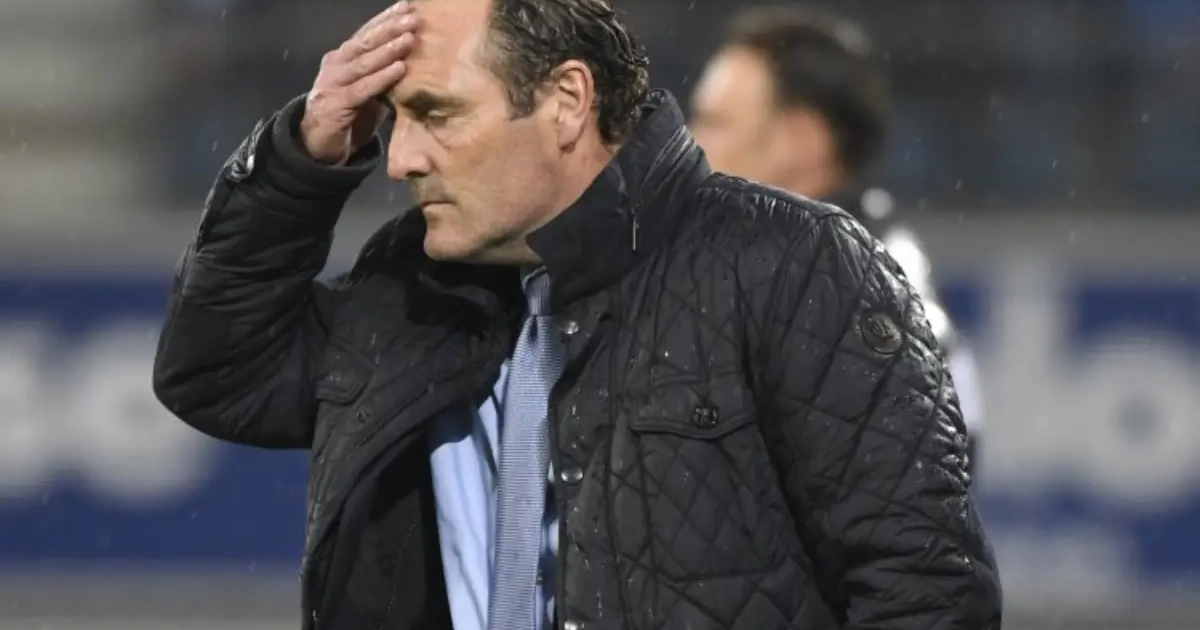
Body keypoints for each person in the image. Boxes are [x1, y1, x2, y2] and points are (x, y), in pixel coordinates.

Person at [152, 0, 1001, 628]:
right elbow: (216, 371)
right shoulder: (407, 291)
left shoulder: (794, 264)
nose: (399, 158)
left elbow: (922, 587)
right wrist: (301, 156)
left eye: (436, 113)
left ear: (566, 100)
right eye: (393, 118)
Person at [690, 5, 987, 472]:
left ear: (801, 140)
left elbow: (933, 466)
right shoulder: (748, 263)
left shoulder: (874, 287)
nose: (690, 143)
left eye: (715, 122)